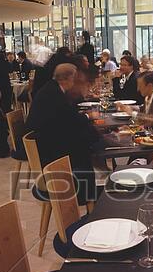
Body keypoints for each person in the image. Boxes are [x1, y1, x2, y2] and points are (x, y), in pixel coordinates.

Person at [26, 63, 100, 207]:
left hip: (47, 147)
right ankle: (88, 198)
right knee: (87, 149)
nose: (75, 83)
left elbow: (67, 119)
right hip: (51, 159)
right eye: (75, 79)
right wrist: (87, 119)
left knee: (88, 143)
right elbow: (68, 122)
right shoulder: (54, 95)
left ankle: (94, 197)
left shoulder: (52, 89)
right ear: (67, 79)